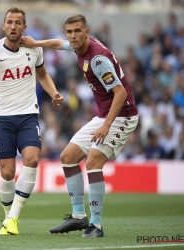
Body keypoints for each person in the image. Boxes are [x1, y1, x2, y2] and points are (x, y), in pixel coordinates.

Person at [21, 14, 139, 237]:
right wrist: (36, 43)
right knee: (68, 157)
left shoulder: (97, 59)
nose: (72, 36)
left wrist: (106, 125)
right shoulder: (79, 46)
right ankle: (78, 217)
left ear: (87, 32)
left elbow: (120, 93)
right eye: (69, 32)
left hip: (122, 116)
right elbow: (57, 44)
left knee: (93, 160)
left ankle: (96, 224)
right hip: (104, 115)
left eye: (77, 31)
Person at [0, 7, 64, 235]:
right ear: (3, 26)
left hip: (28, 115)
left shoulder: (34, 50)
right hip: (2, 118)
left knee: (32, 159)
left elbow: (42, 74)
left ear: (24, 27)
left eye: (18, 22)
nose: (13, 26)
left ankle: (14, 218)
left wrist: (54, 93)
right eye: (9, 22)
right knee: (8, 173)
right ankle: (7, 218)